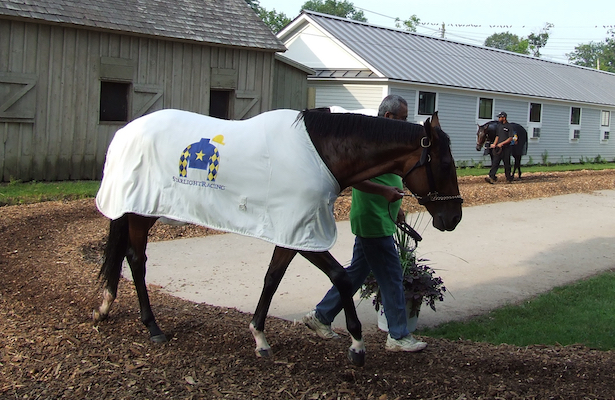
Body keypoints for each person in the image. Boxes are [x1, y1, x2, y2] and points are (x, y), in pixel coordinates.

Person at [302, 94, 427, 353]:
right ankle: (398, 335)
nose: (405, 123)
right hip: (372, 219)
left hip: (381, 216)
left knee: (355, 274)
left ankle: (321, 316)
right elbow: (351, 178)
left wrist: (397, 207)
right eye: (403, 119)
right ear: (389, 117)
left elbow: (389, 179)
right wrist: (384, 195)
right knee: (392, 277)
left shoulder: (385, 140)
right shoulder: (369, 141)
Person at [485, 111, 514, 184]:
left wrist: (502, 143)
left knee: (507, 164)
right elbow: (497, 136)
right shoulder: (499, 126)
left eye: (500, 117)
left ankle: (508, 178)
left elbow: (510, 138)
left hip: (506, 148)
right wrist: (494, 144)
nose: (498, 119)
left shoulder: (509, 126)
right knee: (495, 162)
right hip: (498, 148)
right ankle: (491, 176)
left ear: (504, 118)